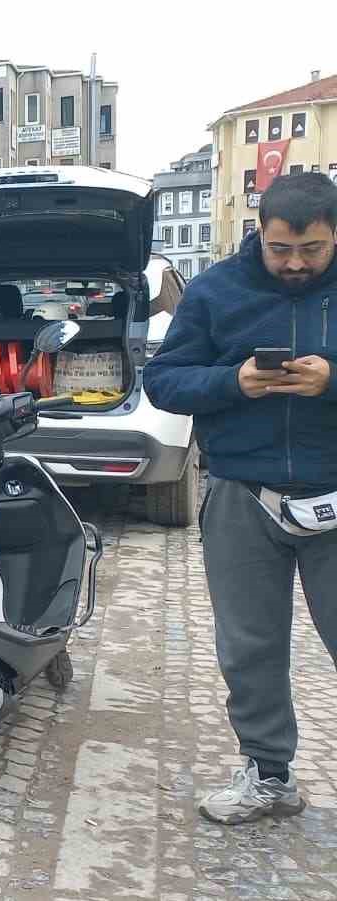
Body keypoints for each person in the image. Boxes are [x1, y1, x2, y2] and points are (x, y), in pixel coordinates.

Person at [146, 171, 337, 825]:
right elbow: (163, 382)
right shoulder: (216, 290)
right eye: (281, 248)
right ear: (260, 231)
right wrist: (234, 383)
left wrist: (332, 380)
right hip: (242, 495)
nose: (294, 263)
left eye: (311, 250)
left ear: (333, 234)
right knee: (249, 645)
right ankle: (270, 776)